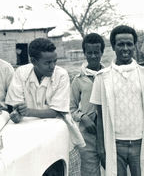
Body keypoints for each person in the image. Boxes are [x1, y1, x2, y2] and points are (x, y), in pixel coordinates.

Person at [5, 38, 85, 176]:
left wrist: (28, 111)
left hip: (59, 135)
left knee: (67, 170)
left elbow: (55, 112)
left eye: (55, 61)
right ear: (34, 61)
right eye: (47, 62)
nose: (52, 66)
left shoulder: (61, 75)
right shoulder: (21, 73)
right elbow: (15, 106)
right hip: (28, 138)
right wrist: (17, 114)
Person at [90, 25, 144, 176]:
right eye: (120, 44)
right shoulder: (102, 77)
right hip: (115, 144)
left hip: (141, 142)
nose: (125, 48)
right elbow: (100, 115)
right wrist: (101, 147)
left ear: (135, 45)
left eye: (129, 44)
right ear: (113, 46)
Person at [70, 33, 105, 176]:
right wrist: (83, 117)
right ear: (84, 53)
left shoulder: (108, 76)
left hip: (108, 131)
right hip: (87, 134)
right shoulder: (78, 80)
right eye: (89, 53)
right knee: (90, 172)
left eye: (96, 52)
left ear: (102, 52)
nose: (93, 56)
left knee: (112, 168)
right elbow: (71, 108)